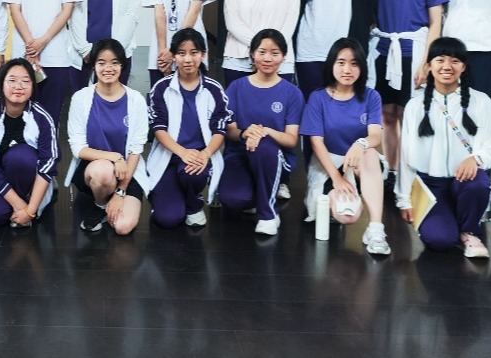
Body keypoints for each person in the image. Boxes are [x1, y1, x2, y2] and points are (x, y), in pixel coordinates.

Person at [395, 37, 491, 258]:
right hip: (430, 185)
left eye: (455, 61)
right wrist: (404, 199)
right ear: (429, 66)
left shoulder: (481, 102)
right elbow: (405, 155)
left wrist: (476, 159)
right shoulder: (415, 106)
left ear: (464, 67)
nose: (447, 66)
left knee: (479, 184)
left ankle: (469, 230)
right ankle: (449, 221)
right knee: (440, 240)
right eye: (440, 60)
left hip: (465, 181)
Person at [299, 38, 390, 256]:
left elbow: (375, 135)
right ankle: (338, 199)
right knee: (348, 216)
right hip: (327, 162)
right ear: (331, 64)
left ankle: (376, 229)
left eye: (354, 63)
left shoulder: (371, 96)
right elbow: (316, 143)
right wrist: (337, 178)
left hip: (359, 160)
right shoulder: (318, 97)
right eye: (341, 62)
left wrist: (360, 144)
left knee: (369, 153)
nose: (347, 70)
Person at [372, 0, 448, 172]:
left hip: (413, 54)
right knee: (386, 115)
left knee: (409, 114)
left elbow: (435, 23)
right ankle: (393, 170)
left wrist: (427, 62)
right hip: (383, 54)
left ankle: (410, 172)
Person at [220, 29, 305, 235]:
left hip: (275, 156)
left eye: (274, 53)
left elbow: (291, 140)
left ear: (284, 57)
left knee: (263, 146)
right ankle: (260, 190)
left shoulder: (292, 93)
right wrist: (245, 133)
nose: (267, 58)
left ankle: (268, 214)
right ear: (252, 54)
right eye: (262, 52)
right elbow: (230, 131)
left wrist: (264, 131)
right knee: (233, 200)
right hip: (240, 154)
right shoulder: (236, 87)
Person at [145, 29, 228, 229]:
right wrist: (182, 152)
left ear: (203, 55)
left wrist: (205, 154)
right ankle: (167, 196)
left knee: (194, 173)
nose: (188, 59)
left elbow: (220, 130)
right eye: (181, 53)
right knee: (168, 219)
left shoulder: (213, 89)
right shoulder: (161, 88)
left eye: (194, 52)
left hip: (199, 158)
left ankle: (193, 203)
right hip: (169, 156)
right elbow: (158, 127)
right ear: (173, 56)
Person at [66, 39, 150, 235]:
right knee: (104, 171)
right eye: (101, 62)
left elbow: (136, 149)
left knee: (123, 227)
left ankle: (113, 198)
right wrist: (114, 157)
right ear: (93, 66)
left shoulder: (136, 100)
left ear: (122, 65)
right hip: (94, 171)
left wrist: (121, 192)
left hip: (127, 171)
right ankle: (100, 204)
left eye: (114, 62)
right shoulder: (81, 98)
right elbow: (78, 148)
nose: (108, 68)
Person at [0, 58, 60, 228]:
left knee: (21, 156)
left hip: (28, 177)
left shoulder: (42, 117)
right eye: (12, 80)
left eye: (26, 81)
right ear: (1, 84)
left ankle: (26, 205)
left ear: (33, 86)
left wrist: (30, 210)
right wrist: (19, 205)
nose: (19, 86)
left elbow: (49, 163)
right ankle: (16, 206)